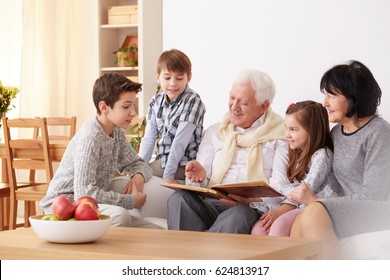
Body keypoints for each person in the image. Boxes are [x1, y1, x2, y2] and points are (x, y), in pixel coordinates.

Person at [167, 69, 290, 234]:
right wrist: (199, 177)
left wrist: (250, 200)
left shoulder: (279, 136)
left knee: (240, 214)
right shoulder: (215, 131)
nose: (234, 106)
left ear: (263, 106)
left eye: (243, 102)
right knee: (179, 199)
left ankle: (202, 258)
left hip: (247, 207)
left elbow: (280, 188)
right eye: (232, 98)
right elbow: (200, 184)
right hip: (211, 203)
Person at [289, 60, 390, 259]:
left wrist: (317, 201)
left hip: (379, 208)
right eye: (324, 95)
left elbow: (374, 195)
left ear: (353, 97)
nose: (325, 103)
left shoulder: (378, 132)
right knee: (299, 222)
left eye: (331, 96)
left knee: (314, 213)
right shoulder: (337, 133)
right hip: (350, 208)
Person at [40, 73, 160, 228]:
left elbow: (138, 163)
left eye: (133, 105)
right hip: (64, 205)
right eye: (126, 106)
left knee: (153, 230)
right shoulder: (90, 138)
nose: (133, 112)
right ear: (104, 107)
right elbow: (84, 192)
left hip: (88, 204)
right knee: (121, 216)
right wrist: (131, 201)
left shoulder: (115, 132)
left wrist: (137, 178)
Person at [251, 101, 342, 236]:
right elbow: (296, 192)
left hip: (316, 206)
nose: (287, 134)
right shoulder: (298, 153)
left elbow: (304, 191)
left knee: (279, 227)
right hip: (299, 204)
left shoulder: (323, 156)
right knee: (259, 229)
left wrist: (278, 188)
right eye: (286, 128)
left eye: (293, 129)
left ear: (312, 130)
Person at [139, 49, 206, 183]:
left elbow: (180, 142)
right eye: (167, 78)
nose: (173, 83)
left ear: (189, 77)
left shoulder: (192, 100)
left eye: (179, 78)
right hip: (162, 161)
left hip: (183, 164)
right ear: (158, 77)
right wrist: (138, 168)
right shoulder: (155, 101)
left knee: (136, 180)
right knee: (135, 175)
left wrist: (168, 176)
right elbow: (149, 138)